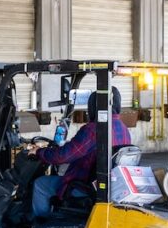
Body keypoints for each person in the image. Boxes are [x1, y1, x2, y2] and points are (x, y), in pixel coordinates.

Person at [27, 87, 131, 218]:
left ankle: (40, 224)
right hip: (108, 187)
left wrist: (39, 152)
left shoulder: (94, 130)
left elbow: (63, 156)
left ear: (93, 107)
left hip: (83, 186)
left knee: (41, 184)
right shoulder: (123, 128)